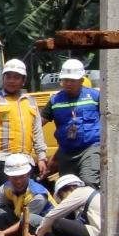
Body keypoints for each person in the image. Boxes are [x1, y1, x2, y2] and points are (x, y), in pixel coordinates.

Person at [0, 58, 47, 187]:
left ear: (23, 81)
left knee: (26, 198)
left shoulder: (30, 102)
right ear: (3, 79)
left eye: (16, 77)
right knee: (7, 198)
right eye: (8, 77)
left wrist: (41, 157)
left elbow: (37, 131)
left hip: (25, 159)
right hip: (1, 159)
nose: (11, 81)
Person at [41, 58, 101, 189]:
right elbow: (38, 124)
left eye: (72, 80)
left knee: (89, 181)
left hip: (90, 148)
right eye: (65, 80)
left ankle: (94, 208)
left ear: (81, 80)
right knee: (68, 188)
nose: (68, 83)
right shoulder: (55, 101)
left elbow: (110, 120)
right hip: (66, 152)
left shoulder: (95, 97)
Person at [0, 153, 53, 236]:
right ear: (8, 176)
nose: (18, 181)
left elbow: (26, 220)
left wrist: (4, 232)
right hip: (23, 222)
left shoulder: (38, 195)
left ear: (28, 174)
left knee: (30, 219)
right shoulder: (6, 188)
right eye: (14, 177)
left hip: (47, 228)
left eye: (22, 177)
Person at [36, 174, 102, 236]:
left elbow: (51, 216)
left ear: (70, 188)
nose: (63, 200)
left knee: (58, 224)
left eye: (61, 196)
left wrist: (38, 235)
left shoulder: (81, 192)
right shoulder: (90, 194)